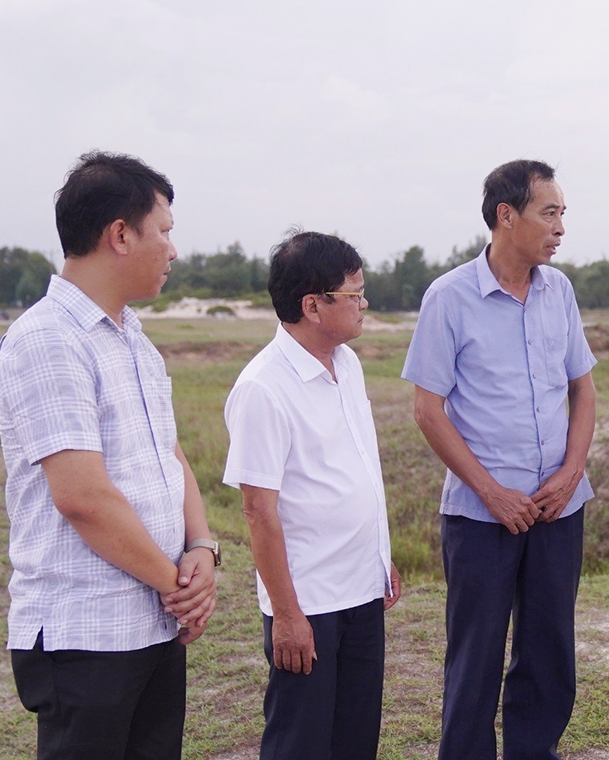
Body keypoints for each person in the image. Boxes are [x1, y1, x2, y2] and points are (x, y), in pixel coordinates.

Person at [0, 151, 218, 759]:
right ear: (120, 235)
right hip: (85, 631)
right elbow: (82, 497)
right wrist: (178, 585)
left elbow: (168, 455)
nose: (173, 250)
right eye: (164, 232)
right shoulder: (47, 339)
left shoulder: (133, 338)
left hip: (150, 622)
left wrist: (201, 547)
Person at [402, 159, 597, 760]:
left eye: (563, 213)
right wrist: (491, 492)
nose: (561, 226)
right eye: (550, 212)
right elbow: (428, 409)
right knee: (475, 655)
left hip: (557, 508)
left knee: (548, 651)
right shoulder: (449, 296)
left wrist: (570, 475)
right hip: (482, 514)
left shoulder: (558, 290)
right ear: (505, 216)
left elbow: (584, 389)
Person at [223, 230, 401, 760]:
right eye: (354, 294)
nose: (365, 304)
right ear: (313, 306)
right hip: (310, 601)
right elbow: (259, 511)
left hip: (362, 590)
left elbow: (357, 469)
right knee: (300, 741)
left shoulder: (347, 365)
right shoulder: (263, 388)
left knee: (355, 735)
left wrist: (381, 557)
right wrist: (288, 614)